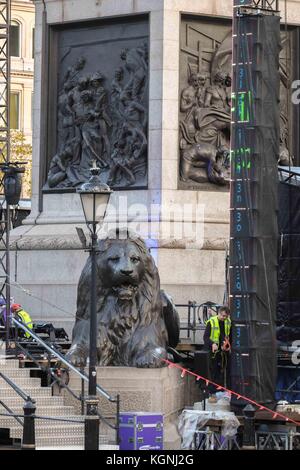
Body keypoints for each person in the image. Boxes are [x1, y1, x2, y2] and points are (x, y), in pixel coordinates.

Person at [204, 306, 232, 399]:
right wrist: (212, 344)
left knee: (223, 371)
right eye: (223, 316)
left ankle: (222, 392)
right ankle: (212, 393)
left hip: (223, 351)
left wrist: (228, 345)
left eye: (226, 316)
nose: (224, 318)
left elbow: (229, 335)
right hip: (213, 352)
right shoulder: (212, 322)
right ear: (219, 313)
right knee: (213, 372)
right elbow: (206, 337)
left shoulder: (228, 321)